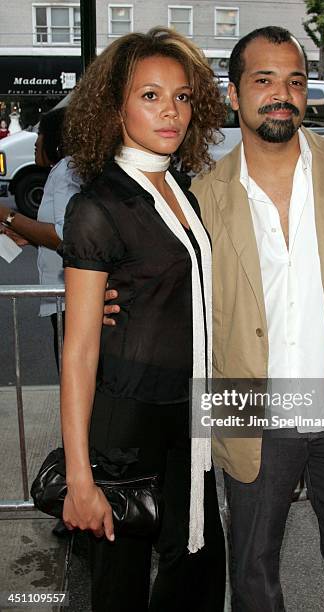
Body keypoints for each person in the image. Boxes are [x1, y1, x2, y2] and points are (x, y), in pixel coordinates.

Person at [104, 26, 324, 612]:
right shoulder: (201, 192)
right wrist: (105, 300)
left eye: (294, 81)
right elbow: (160, 280)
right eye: (264, 79)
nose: (282, 93)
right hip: (246, 405)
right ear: (235, 92)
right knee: (251, 574)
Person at [60, 28, 226, 612]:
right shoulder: (98, 205)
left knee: (199, 566)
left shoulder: (180, 188)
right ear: (115, 105)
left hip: (188, 416)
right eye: (150, 95)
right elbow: (79, 350)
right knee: (120, 587)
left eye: (181, 97)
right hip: (127, 424)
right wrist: (80, 479)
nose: (171, 111)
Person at [0, 108, 81, 370]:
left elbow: (64, 235)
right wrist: (30, 238)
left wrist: (8, 215)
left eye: (41, 134)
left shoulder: (67, 171)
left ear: (56, 139)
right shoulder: (63, 170)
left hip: (72, 302)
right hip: (66, 301)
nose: (36, 141)